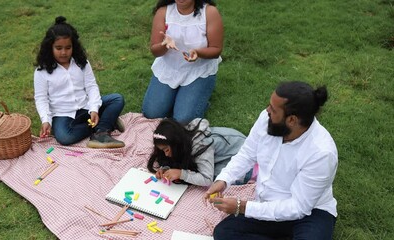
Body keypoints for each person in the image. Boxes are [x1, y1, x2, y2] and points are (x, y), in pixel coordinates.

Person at [204, 81, 338, 239]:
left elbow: (299, 207)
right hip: (266, 205)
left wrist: (243, 207)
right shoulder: (266, 119)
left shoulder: (322, 153)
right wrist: (223, 180)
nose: (267, 111)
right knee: (224, 233)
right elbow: (247, 154)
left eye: (273, 109)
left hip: (310, 214)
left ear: (292, 120)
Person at [34, 16, 125, 148]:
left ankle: (100, 131)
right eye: (58, 48)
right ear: (50, 47)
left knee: (117, 99)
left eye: (68, 47)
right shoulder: (41, 71)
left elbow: (91, 86)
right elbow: (41, 98)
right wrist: (46, 120)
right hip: (63, 114)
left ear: (74, 46)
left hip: (85, 107)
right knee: (65, 137)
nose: (64, 52)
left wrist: (93, 108)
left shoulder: (81, 63)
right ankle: (105, 124)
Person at [142, 0, 224, 124]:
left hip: (198, 71)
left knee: (183, 120)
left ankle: (198, 98)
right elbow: (155, 50)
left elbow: (216, 49)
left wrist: (198, 53)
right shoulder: (163, 11)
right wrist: (164, 45)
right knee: (151, 114)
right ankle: (179, 99)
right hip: (169, 70)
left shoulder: (209, 12)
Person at [147, 118, 253, 187]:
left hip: (241, 155)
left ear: (176, 144)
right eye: (163, 151)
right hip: (222, 153)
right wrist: (166, 168)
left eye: (166, 150)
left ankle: (253, 173)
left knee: (219, 178)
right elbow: (178, 159)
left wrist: (181, 174)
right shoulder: (180, 141)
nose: (166, 154)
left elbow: (207, 179)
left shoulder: (200, 146)